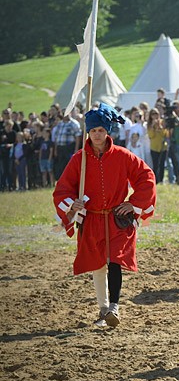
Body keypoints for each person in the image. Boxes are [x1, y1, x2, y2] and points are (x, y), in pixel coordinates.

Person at [53, 104, 156, 327]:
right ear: (88, 133)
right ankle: (103, 308)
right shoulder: (79, 159)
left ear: (107, 131)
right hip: (92, 219)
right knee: (98, 264)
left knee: (115, 260)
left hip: (117, 219)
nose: (97, 135)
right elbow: (62, 188)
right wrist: (73, 202)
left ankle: (114, 308)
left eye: (101, 130)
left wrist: (133, 203)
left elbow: (146, 177)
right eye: (93, 131)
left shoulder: (122, 155)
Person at [51, 113, 82, 180]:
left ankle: (70, 180)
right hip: (60, 147)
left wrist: (76, 149)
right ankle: (62, 181)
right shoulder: (60, 124)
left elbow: (77, 137)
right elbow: (56, 137)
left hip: (69, 147)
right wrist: (55, 149)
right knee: (60, 165)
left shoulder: (74, 123)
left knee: (69, 165)